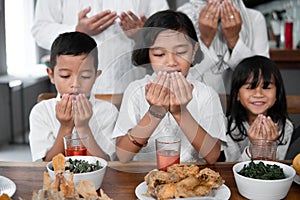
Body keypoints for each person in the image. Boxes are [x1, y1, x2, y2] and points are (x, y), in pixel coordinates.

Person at [112, 10, 227, 164]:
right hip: (143, 178)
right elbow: (122, 155)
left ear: (194, 51)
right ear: (148, 55)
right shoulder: (135, 90)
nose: (171, 62)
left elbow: (213, 156)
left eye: (180, 52)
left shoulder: (206, 94)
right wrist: (155, 112)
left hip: (190, 179)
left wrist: (180, 112)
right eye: (159, 54)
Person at [32, 0, 169, 94]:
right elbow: (40, 29)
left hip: (131, 88)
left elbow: (168, 29)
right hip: (78, 92)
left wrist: (143, 34)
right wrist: (77, 30)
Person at [29, 32, 118, 162]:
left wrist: (83, 127)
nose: (75, 84)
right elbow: (44, 165)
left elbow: (106, 163)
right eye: (65, 76)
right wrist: (65, 127)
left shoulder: (108, 111)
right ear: (51, 75)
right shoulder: (41, 112)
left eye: (86, 76)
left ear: (96, 76)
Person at [177, 0, 269, 94]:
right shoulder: (182, 17)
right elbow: (179, 77)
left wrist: (234, 40)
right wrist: (205, 40)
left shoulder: (253, 19)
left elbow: (262, 79)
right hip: (194, 102)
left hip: (237, 103)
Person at [224, 55, 294, 161]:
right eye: (250, 87)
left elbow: (278, 169)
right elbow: (232, 168)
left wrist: (269, 145)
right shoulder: (228, 126)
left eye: (266, 87)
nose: (258, 94)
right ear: (237, 94)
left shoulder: (285, 127)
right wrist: (255, 147)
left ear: (277, 94)